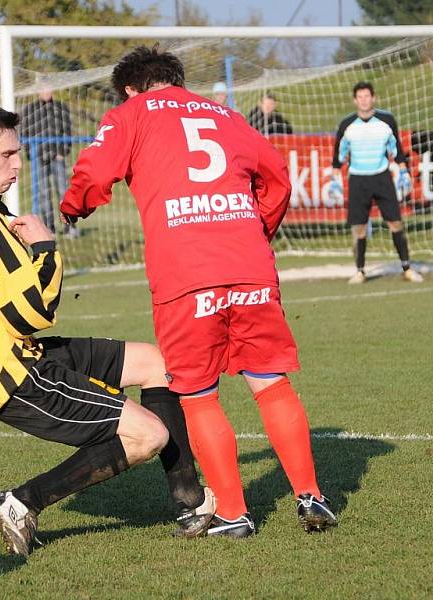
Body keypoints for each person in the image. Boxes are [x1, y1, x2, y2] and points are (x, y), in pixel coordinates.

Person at [0, 101, 216, 557]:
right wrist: (47, 250)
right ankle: (21, 502)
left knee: (158, 364)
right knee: (148, 434)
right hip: (16, 377)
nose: (18, 163)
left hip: (25, 353)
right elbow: (31, 311)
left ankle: (191, 501)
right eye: (7, 154)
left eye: (19, 153)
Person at [61, 46, 337, 538]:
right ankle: (311, 497)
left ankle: (233, 513)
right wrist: (253, 232)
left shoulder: (130, 113)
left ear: (130, 88)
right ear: (177, 80)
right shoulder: (228, 115)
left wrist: (74, 206)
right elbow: (276, 176)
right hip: (249, 264)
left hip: (186, 273)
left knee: (197, 393)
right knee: (271, 383)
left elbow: (95, 171)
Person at [331, 81, 423, 284]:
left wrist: (404, 172)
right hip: (357, 180)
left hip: (381, 177)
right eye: (360, 97)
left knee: (396, 223)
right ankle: (360, 271)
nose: (364, 100)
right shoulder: (346, 125)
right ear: (355, 100)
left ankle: (406, 268)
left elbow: (396, 149)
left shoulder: (387, 120)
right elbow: (339, 155)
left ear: (374, 98)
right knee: (359, 228)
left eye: (367, 96)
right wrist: (334, 179)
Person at [20, 83, 77, 237]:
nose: (46, 92)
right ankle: (49, 227)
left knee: (63, 192)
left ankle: (69, 227)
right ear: (38, 91)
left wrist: (63, 151)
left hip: (57, 155)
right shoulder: (30, 110)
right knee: (43, 192)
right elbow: (24, 132)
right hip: (38, 156)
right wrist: (30, 152)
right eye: (43, 89)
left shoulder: (61, 108)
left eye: (49, 88)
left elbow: (68, 131)